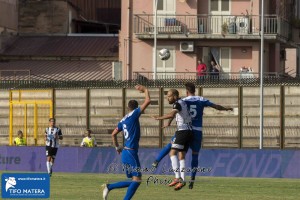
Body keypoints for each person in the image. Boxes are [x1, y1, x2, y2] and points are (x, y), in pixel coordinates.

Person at [152, 83, 233, 189]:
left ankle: (157, 161)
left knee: (172, 148)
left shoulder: (184, 101)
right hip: (197, 131)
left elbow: (175, 111)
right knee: (194, 155)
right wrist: (226, 109)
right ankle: (191, 180)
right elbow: (216, 106)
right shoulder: (201, 99)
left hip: (185, 129)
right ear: (195, 90)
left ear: (186, 91)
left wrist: (168, 122)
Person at [102, 84, 151, 200]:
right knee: (137, 180)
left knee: (134, 181)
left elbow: (113, 134)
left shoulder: (123, 119)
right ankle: (110, 188)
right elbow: (148, 100)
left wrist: (117, 148)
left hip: (125, 152)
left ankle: (109, 187)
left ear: (128, 107)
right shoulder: (134, 115)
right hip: (131, 152)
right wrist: (145, 90)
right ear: (136, 108)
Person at [152, 89, 193, 191]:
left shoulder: (177, 104)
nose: (167, 98)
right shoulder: (181, 102)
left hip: (183, 131)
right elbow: (175, 114)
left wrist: (158, 118)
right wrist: (170, 122)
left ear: (174, 96)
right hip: (189, 131)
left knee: (172, 153)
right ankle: (182, 180)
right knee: (181, 155)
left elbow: (171, 114)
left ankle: (177, 177)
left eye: (169, 96)